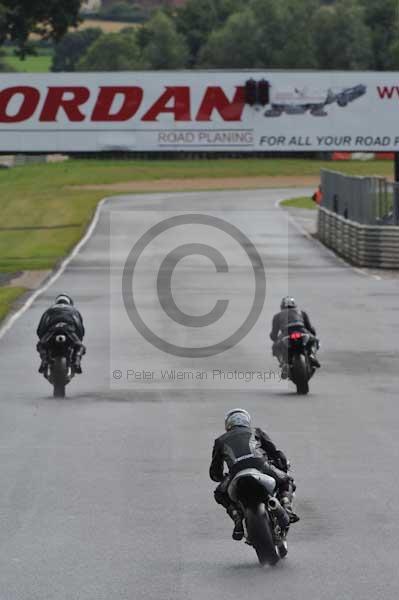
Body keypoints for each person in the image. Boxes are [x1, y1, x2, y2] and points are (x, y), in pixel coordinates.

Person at [210, 408, 299, 541]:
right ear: (247, 421)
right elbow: (275, 452)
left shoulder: (220, 441)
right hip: (261, 466)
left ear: (228, 424)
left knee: (220, 493)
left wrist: (221, 477)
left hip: (236, 472)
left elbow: (215, 472)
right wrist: (283, 466)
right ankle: (286, 507)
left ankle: (237, 519)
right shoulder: (256, 431)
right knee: (287, 481)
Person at [270, 296, 320, 378]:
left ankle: (284, 363)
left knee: (275, 347)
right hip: (301, 331)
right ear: (294, 305)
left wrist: (275, 339)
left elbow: (273, 334)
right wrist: (313, 334)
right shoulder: (302, 313)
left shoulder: (277, 316)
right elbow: (310, 328)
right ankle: (311, 356)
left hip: (286, 333)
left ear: (282, 306)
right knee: (315, 340)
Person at [36, 294, 86, 374]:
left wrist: (42, 339)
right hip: (69, 329)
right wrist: (78, 340)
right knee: (80, 346)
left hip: (52, 329)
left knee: (41, 345)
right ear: (69, 302)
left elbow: (41, 327)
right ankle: (76, 362)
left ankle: (44, 361)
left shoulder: (49, 310)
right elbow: (79, 327)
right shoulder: (74, 310)